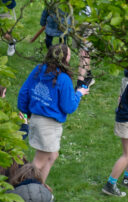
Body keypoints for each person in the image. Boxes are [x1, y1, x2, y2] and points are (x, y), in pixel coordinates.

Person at [17, 44, 89, 182]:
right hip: (49, 125)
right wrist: (79, 94)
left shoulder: (38, 70)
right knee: (37, 163)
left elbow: (24, 92)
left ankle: (40, 187)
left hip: (37, 119)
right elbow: (69, 107)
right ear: (65, 59)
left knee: (52, 156)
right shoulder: (63, 79)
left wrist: (27, 113)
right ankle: (24, 189)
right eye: (69, 55)